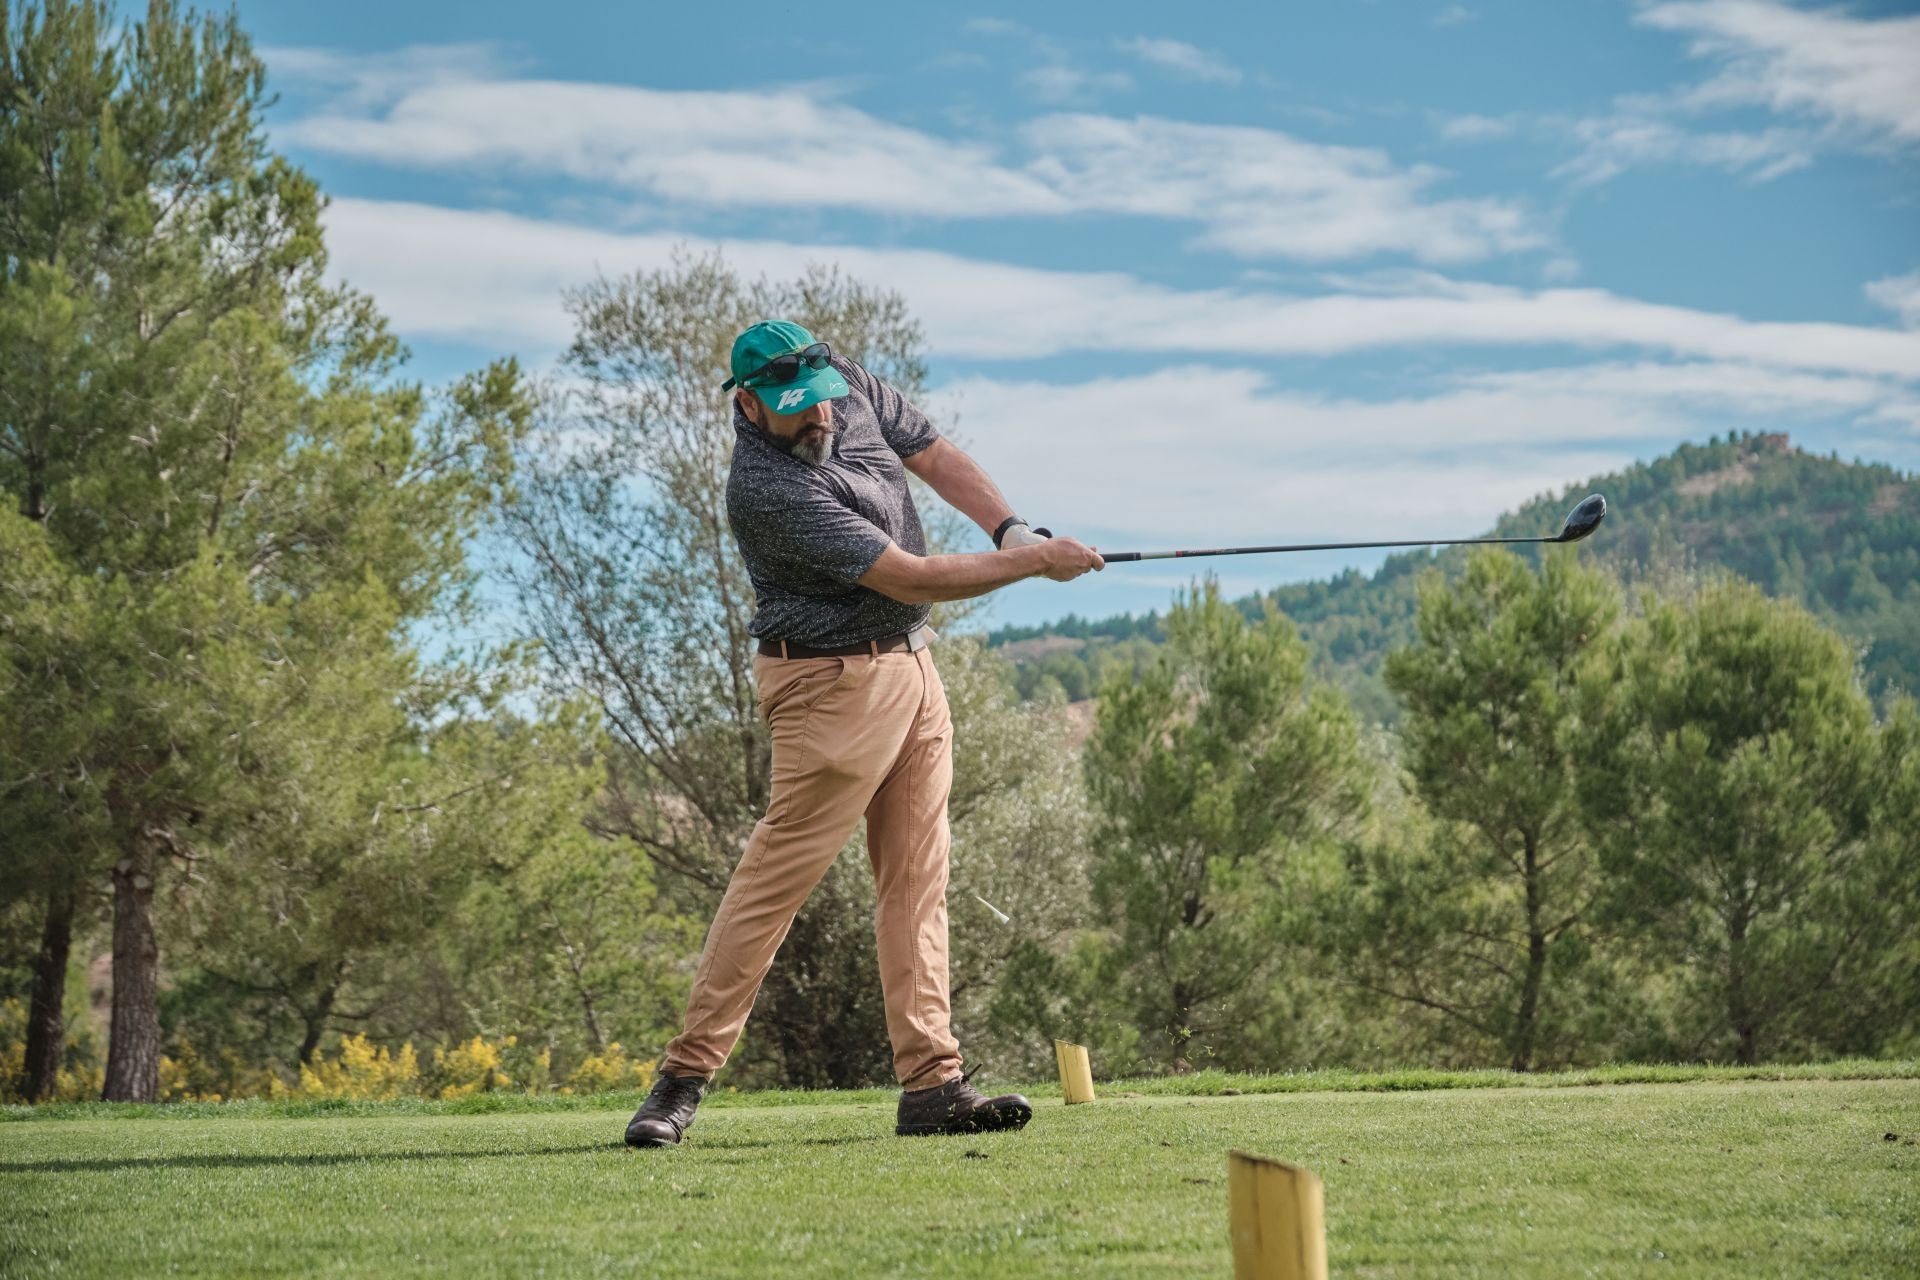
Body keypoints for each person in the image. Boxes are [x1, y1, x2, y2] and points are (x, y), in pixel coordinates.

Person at [624, 320, 1104, 1148]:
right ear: (747, 404)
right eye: (793, 412)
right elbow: (909, 575)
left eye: (821, 405)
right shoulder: (766, 490)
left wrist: (1012, 530)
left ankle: (933, 1086)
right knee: (775, 884)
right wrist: (1037, 564)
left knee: (918, 884)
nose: (816, 421)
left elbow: (933, 453)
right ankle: (683, 1079)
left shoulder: (841, 381)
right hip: (826, 685)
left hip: (914, 672)